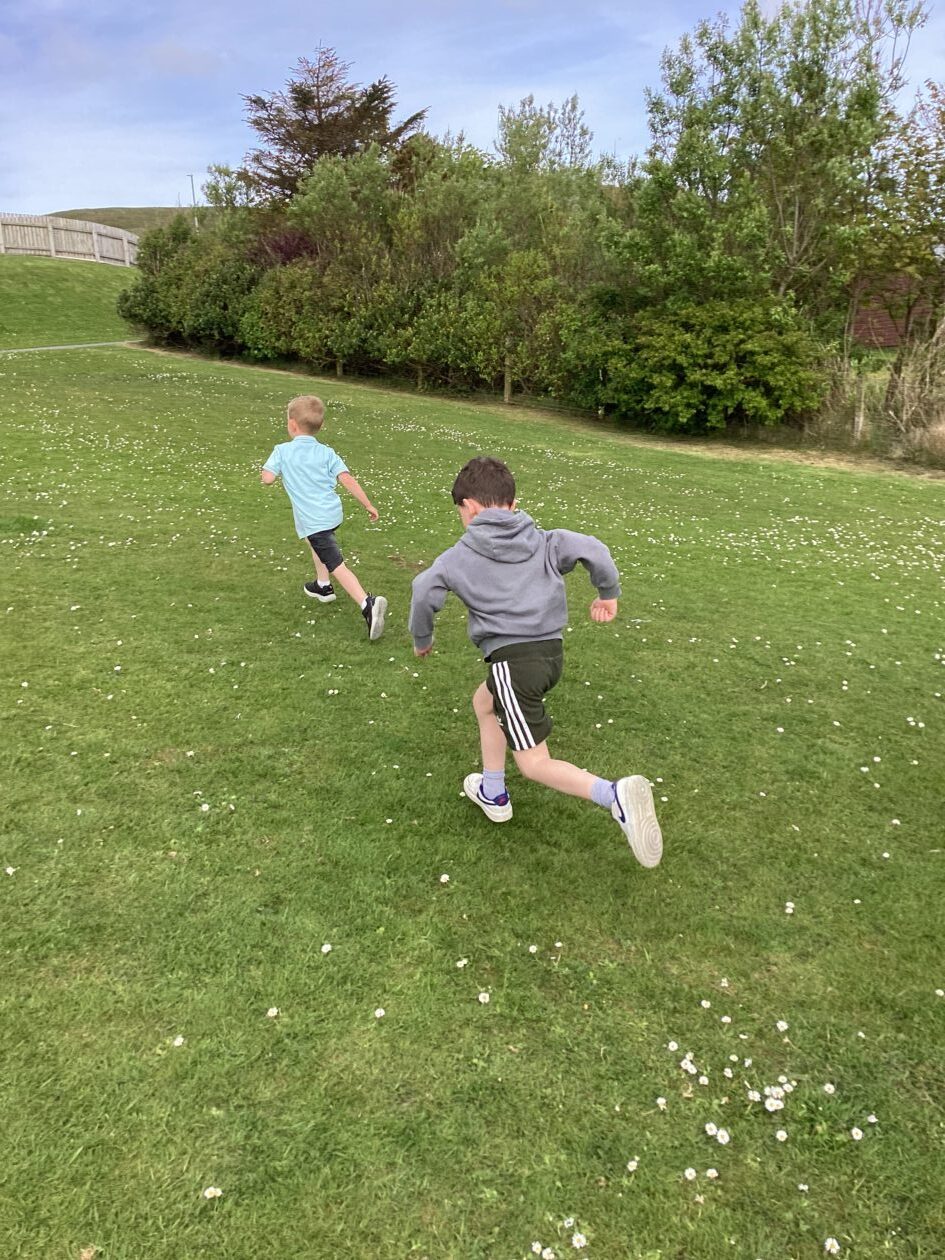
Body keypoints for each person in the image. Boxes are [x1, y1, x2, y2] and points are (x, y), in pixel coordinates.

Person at [409, 455, 662, 867]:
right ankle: (493, 791)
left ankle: (614, 795)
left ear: (469, 507)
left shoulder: (457, 558)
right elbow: (593, 549)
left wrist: (423, 638)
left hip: (513, 664)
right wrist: (607, 593)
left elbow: (423, 590)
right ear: (513, 503)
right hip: (549, 656)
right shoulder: (546, 541)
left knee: (534, 763)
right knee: (484, 702)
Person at [260, 395, 387, 640]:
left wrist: (268, 473)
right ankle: (323, 586)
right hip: (331, 513)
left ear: (292, 424)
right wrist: (368, 504)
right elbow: (346, 478)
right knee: (315, 542)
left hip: (315, 520)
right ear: (321, 426)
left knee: (335, 563)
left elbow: (267, 478)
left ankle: (367, 604)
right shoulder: (327, 452)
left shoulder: (282, 451)